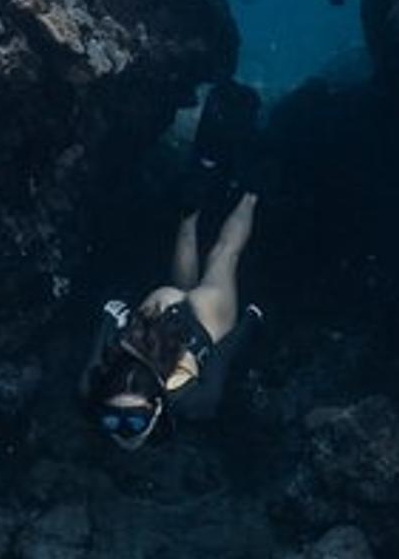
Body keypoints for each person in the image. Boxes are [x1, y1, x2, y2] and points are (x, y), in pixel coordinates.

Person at [80, 80, 265, 453]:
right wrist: (112, 314)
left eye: (121, 419)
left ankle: (252, 190)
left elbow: (222, 359)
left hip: (202, 322)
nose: (123, 431)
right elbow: (103, 336)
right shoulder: (92, 390)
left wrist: (251, 319)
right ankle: (203, 178)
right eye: (123, 421)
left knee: (225, 255)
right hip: (159, 312)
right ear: (156, 406)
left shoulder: (195, 404)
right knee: (188, 235)